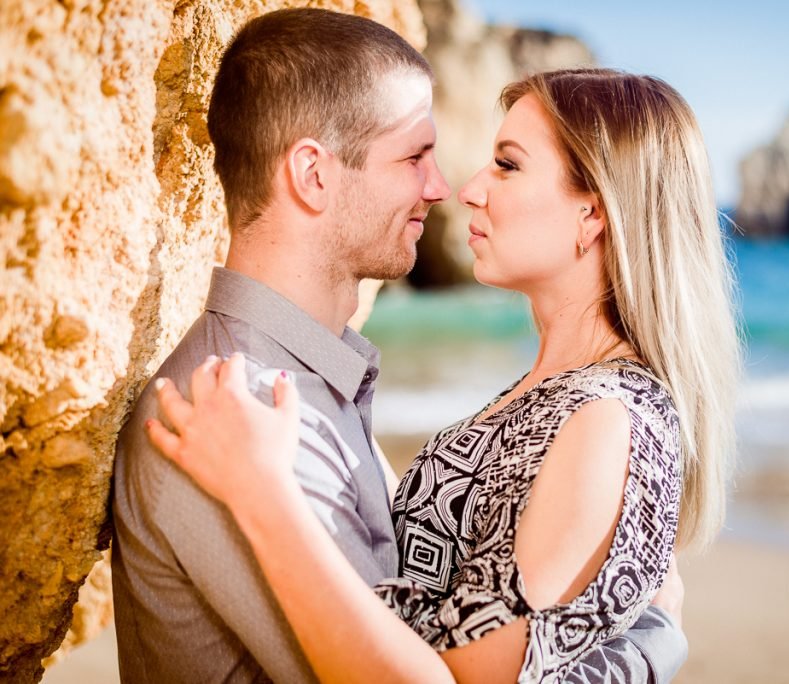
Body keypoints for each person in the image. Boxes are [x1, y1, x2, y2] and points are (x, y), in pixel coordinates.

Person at [111, 9, 686, 684]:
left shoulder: (310, 390)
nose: (445, 189)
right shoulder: (235, 416)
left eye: (504, 165)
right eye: (415, 156)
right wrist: (653, 640)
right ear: (313, 175)